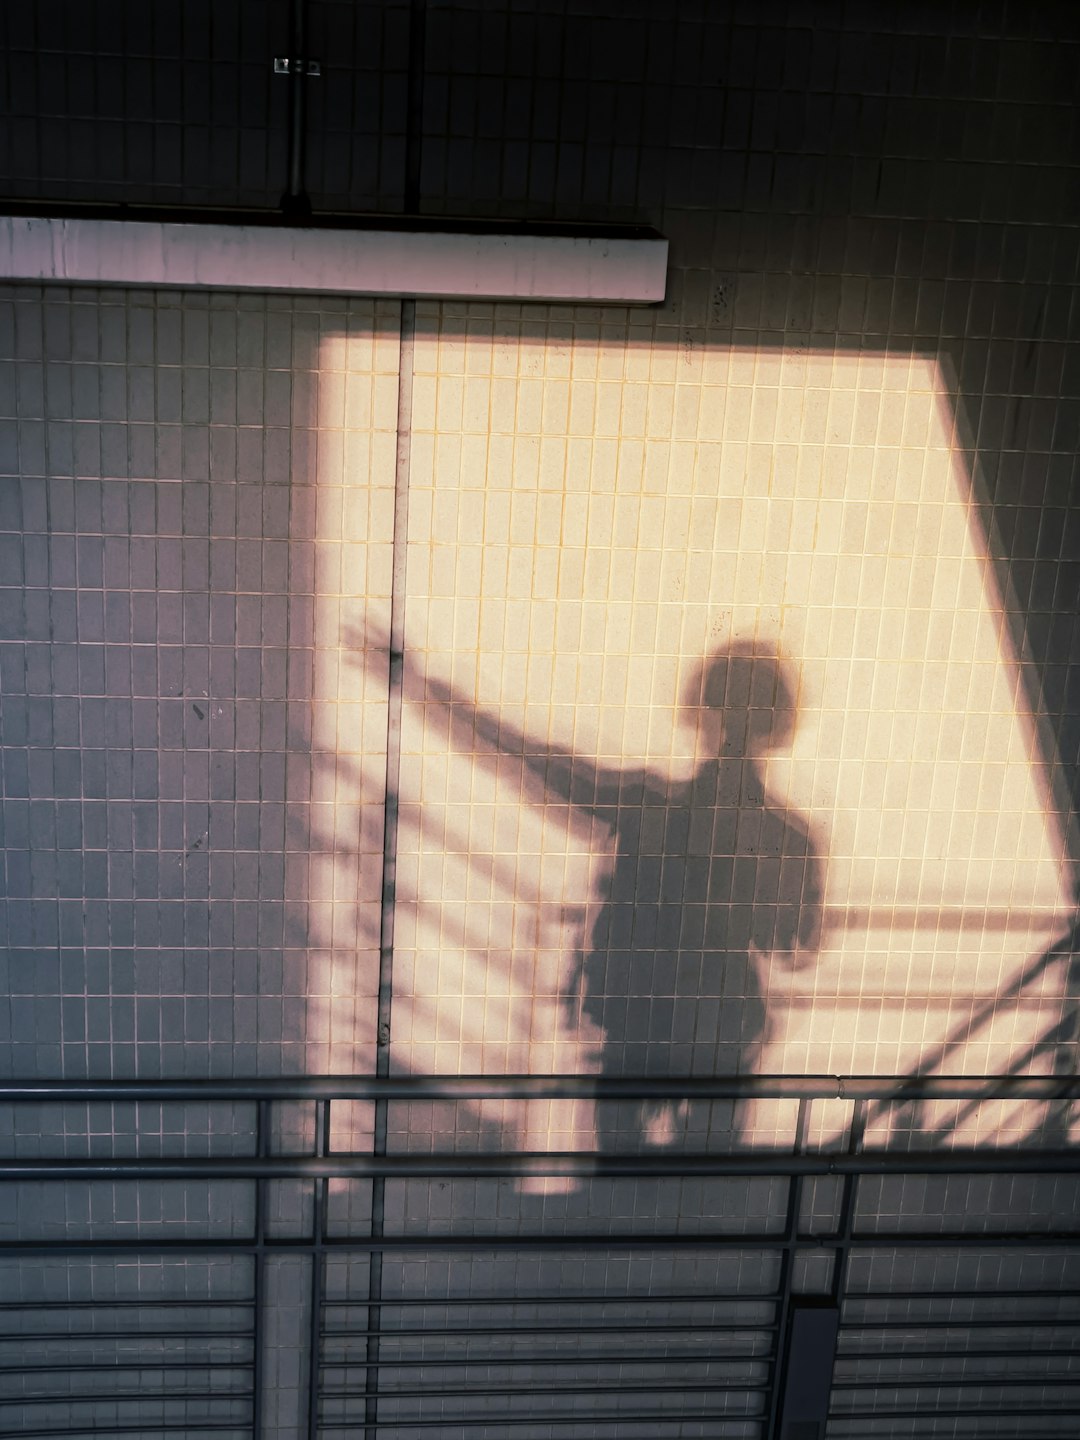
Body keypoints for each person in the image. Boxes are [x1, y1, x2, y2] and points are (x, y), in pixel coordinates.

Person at [410, 640, 824, 1148]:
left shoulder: (647, 805)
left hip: (635, 1018)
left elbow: (540, 764)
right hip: (720, 1028)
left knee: (621, 1183)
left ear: (704, 714)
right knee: (711, 1184)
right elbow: (795, 946)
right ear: (776, 725)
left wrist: (428, 693)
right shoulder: (788, 837)